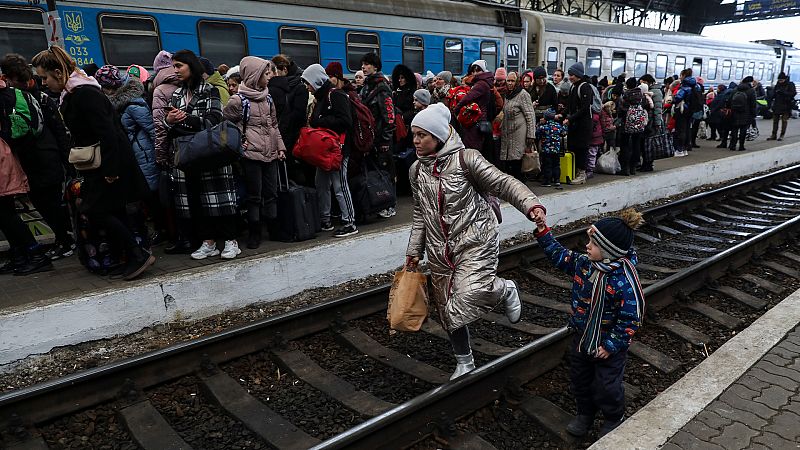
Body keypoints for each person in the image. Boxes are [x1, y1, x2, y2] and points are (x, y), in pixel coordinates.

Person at [405, 103, 546, 380]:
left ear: (439, 136)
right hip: (439, 250)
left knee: (470, 293)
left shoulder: (467, 159)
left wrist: (531, 205)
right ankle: (464, 361)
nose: (416, 141)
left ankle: (504, 289)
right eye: (414, 134)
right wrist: (414, 250)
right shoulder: (416, 171)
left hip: (475, 239)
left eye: (422, 135)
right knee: (448, 311)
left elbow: (504, 183)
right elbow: (420, 212)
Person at [32, 46, 154, 280]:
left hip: (107, 163)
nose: (44, 83)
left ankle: (138, 254)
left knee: (95, 209)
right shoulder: (76, 93)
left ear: (58, 73)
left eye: (45, 77)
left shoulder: (84, 94)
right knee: (112, 209)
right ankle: (128, 256)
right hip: (100, 163)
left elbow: (107, 132)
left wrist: (110, 169)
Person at [533, 208, 645, 438]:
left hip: (608, 345)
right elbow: (559, 256)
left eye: (593, 244)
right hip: (583, 336)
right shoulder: (585, 264)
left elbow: (631, 318)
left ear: (608, 252)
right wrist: (543, 231)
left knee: (607, 385)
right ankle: (585, 414)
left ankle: (614, 417)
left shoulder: (624, 280)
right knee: (579, 379)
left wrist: (611, 345)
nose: (587, 247)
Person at [162, 49, 240, 260]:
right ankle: (209, 242)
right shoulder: (177, 94)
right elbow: (167, 124)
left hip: (209, 152)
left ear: (191, 66)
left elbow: (214, 119)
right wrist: (169, 121)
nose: (175, 70)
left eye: (179, 66)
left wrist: (185, 119)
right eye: (174, 66)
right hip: (186, 155)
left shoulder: (210, 90)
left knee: (218, 198)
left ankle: (231, 240)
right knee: (197, 199)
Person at [1, 53, 75, 260]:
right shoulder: (39, 96)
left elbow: (58, 130)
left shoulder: (21, 98)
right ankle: (64, 239)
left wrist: (66, 160)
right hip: (46, 157)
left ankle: (66, 240)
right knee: (49, 203)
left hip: (37, 159)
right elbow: (58, 130)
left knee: (49, 204)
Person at [224, 57, 286, 249]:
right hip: (250, 154)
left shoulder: (268, 98)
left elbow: (274, 125)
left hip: (270, 153)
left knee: (271, 192)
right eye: (265, 74)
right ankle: (255, 232)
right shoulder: (238, 100)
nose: (269, 77)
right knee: (254, 195)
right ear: (254, 75)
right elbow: (226, 124)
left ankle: (274, 228)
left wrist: (280, 147)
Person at [0, 78, 54, 275]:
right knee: (4, 212)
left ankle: (36, 254)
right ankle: (21, 255)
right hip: (6, 156)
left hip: (2, 159)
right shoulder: (7, 92)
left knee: (5, 212)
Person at [306, 63, 358, 237]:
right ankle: (325, 218)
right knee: (321, 183)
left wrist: (320, 120)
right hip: (326, 149)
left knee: (339, 184)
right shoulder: (323, 97)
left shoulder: (336, 95)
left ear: (316, 81)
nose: (308, 87)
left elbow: (345, 122)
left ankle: (349, 222)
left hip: (339, 149)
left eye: (309, 83)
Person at [360, 52, 396, 219]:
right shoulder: (367, 85)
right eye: (363, 64)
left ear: (375, 66)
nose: (363, 67)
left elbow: (389, 116)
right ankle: (380, 202)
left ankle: (389, 204)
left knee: (384, 171)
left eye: (367, 64)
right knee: (376, 171)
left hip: (381, 138)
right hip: (371, 137)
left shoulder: (382, 87)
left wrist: (386, 140)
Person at [455, 60, 495, 160]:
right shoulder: (486, 83)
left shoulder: (480, 84)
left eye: (478, 70)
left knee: (471, 150)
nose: (475, 73)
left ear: (483, 71)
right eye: (473, 70)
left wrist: (456, 109)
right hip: (481, 119)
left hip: (475, 119)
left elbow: (467, 98)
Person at [499, 71, 536, 181]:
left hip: (519, 132)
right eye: (508, 81)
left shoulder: (523, 94)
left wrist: (531, 135)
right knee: (508, 161)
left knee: (517, 160)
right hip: (507, 132)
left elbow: (530, 115)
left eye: (512, 81)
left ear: (517, 82)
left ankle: (520, 186)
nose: (510, 83)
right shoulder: (508, 95)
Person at [561, 62, 594, 184]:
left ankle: (582, 173)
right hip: (574, 124)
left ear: (578, 75)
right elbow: (570, 105)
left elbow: (585, 108)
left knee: (582, 149)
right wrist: (562, 114)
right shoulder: (573, 87)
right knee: (572, 147)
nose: (570, 77)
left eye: (572, 75)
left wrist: (570, 118)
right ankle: (573, 171)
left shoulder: (585, 87)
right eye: (569, 74)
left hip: (583, 125)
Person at [536, 108, 565, 189]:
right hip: (556, 150)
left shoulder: (543, 127)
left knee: (547, 165)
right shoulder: (558, 126)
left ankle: (547, 181)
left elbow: (537, 133)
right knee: (556, 165)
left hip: (546, 150)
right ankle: (557, 180)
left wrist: (539, 124)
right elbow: (564, 132)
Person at [728, 76, 757, 152]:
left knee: (734, 129)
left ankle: (732, 145)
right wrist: (754, 114)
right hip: (745, 113)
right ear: (750, 82)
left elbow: (730, 100)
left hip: (735, 112)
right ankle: (741, 146)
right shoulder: (751, 91)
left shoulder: (736, 89)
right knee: (743, 130)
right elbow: (753, 104)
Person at [768, 72, 796, 141]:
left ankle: (782, 135)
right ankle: (773, 135)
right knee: (775, 121)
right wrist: (770, 95)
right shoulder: (777, 85)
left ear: (785, 79)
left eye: (781, 80)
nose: (780, 81)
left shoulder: (790, 84)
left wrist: (783, 93)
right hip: (777, 105)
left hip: (786, 105)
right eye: (779, 80)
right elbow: (774, 94)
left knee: (784, 121)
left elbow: (793, 93)